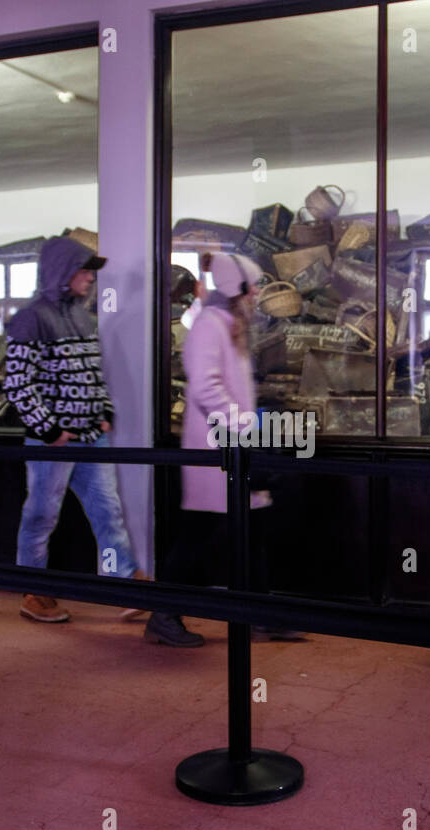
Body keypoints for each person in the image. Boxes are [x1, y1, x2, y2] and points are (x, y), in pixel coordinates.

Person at [145, 253, 298, 647]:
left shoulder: (231, 325)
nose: (259, 293)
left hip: (236, 449)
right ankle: (162, 615)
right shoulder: (211, 327)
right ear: (239, 290)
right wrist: (248, 425)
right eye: (253, 286)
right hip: (213, 452)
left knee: (254, 531)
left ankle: (262, 614)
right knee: (198, 533)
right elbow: (206, 388)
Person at [5, 235, 148, 624]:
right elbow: (17, 382)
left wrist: (103, 411)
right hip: (54, 442)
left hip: (89, 436)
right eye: (84, 270)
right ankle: (33, 589)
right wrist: (49, 430)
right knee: (41, 515)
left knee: (107, 510)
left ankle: (122, 583)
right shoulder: (31, 317)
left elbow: (92, 372)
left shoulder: (83, 316)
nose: (89, 278)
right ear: (63, 272)